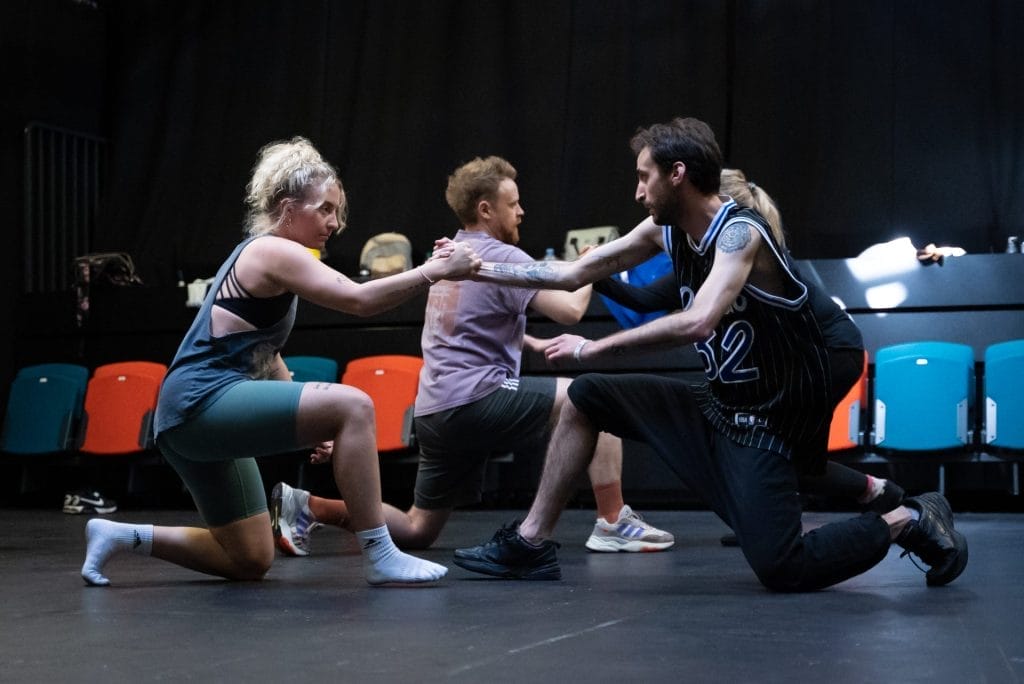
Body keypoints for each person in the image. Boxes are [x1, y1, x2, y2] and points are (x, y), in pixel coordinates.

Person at [453, 117, 968, 590]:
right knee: (587, 398)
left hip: (771, 414)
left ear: (677, 174)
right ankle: (530, 542)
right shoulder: (664, 231)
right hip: (722, 404)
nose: (637, 192)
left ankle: (910, 519)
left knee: (780, 565)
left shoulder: (741, 232)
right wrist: (477, 269)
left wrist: (595, 346)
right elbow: (571, 273)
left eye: (643, 177)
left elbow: (698, 319)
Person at [80, 136, 481, 587]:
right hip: (199, 403)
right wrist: (437, 269)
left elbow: (266, 355)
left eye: (338, 211)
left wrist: (315, 425)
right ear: (288, 209)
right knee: (355, 405)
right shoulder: (272, 250)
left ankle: (118, 535)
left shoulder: (273, 258)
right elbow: (358, 300)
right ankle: (382, 554)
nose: (335, 222)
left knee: (250, 558)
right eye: (325, 209)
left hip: (188, 419)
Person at [270, 156, 673, 564]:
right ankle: (612, 522)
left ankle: (311, 507)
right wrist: (593, 263)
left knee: (418, 529)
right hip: (474, 399)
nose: (521, 211)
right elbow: (569, 311)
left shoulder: (450, 255)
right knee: (590, 398)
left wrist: (525, 340)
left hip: (434, 411)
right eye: (513, 203)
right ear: (485, 209)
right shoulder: (503, 256)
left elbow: (469, 323)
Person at [591, 168, 904, 548]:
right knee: (764, 449)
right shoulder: (707, 260)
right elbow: (646, 300)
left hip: (828, 355)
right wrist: (598, 271)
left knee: (768, 450)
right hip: (792, 363)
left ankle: (874, 494)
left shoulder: (751, 249)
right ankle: (840, 501)